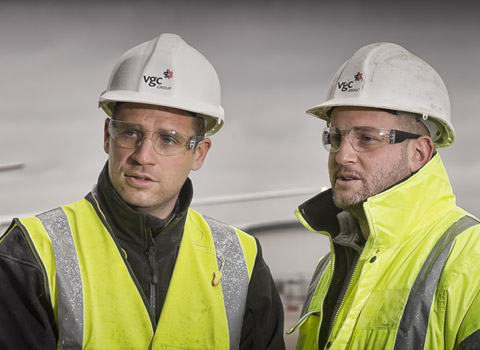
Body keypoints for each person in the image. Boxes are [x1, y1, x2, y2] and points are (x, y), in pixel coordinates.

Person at [0, 33, 285, 350]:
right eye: (130, 132)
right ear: (108, 136)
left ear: (199, 153)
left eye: (168, 139)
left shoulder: (239, 260)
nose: (143, 155)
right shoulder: (31, 251)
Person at [287, 42, 480, 349]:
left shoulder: (472, 259)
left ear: (419, 152)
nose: (342, 156)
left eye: (366, 138)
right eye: (335, 138)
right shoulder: (330, 266)